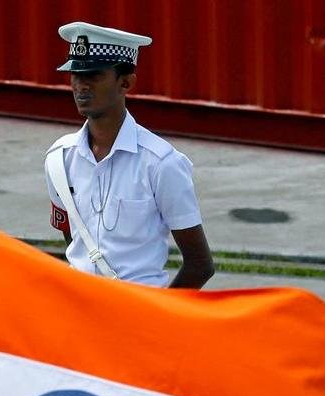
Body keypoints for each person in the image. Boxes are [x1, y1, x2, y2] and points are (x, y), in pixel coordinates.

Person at [44, 22, 214, 288]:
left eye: (94, 75)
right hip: (79, 305)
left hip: (137, 305)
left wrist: (155, 311)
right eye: (75, 75)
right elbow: (74, 240)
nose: (80, 85)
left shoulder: (161, 163)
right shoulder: (59, 159)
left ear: (126, 82)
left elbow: (200, 264)